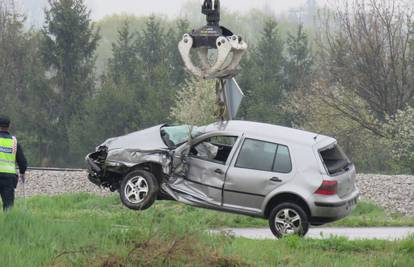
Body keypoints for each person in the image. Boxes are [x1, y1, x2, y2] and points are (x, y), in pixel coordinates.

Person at [0, 116, 27, 210]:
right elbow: (22, 161)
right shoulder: (14, 142)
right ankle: (8, 223)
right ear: (9, 126)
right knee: (8, 206)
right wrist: (22, 172)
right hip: (8, 178)